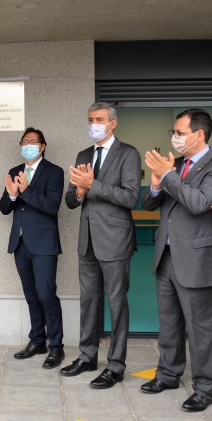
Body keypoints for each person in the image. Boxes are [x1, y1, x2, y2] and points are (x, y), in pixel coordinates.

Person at [141, 109, 212, 412]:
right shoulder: (176, 165)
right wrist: (157, 182)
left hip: (199, 259)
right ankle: (168, 373)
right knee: (168, 323)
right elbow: (149, 203)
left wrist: (168, 176)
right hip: (166, 256)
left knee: (201, 328)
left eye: (180, 133)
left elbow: (197, 204)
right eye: (174, 133)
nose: (175, 138)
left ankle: (207, 387)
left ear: (199, 135)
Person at [62, 103, 141, 388]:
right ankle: (87, 356)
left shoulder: (128, 153)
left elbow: (132, 198)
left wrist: (92, 185)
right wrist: (81, 191)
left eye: (99, 119)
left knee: (116, 302)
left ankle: (116, 365)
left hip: (115, 240)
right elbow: (71, 200)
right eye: (90, 120)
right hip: (88, 240)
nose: (93, 124)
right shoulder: (84, 154)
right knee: (89, 300)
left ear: (113, 123)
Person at [0, 127, 65, 369]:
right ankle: (37, 340)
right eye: (24, 141)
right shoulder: (14, 171)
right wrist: (12, 195)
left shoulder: (54, 172)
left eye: (33, 141)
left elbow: (52, 206)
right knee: (31, 296)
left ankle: (56, 346)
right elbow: (4, 207)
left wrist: (26, 190)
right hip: (20, 242)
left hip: (44, 244)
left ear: (43, 146)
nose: (28, 144)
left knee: (46, 294)